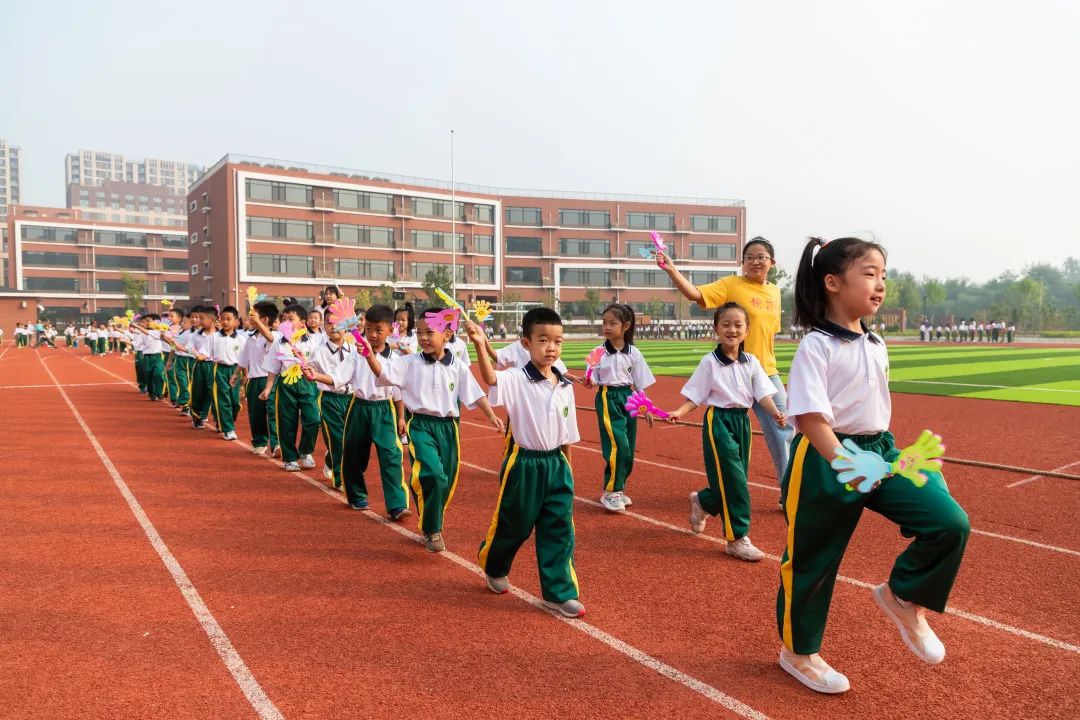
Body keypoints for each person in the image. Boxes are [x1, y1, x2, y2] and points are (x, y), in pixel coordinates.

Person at [776, 236, 969, 694]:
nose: (880, 284)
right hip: (828, 460)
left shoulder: (876, 340)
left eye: (884, 274)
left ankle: (904, 596)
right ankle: (798, 653)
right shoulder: (816, 346)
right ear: (832, 282)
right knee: (811, 561)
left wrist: (886, 457)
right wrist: (845, 461)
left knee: (949, 521)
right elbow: (808, 418)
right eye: (869, 273)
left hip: (880, 451)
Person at [466, 308, 585, 618]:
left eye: (557, 341)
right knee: (515, 525)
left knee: (559, 528)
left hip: (556, 464)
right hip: (525, 464)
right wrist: (480, 344)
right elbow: (491, 379)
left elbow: (567, 434)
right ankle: (494, 564)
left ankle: (558, 593)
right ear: (526, 344)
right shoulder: (517, 378)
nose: (551, 348)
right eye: (543, 340)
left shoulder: (565, 385)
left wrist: (567, 469)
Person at [364, 305, 504, 553]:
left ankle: (424, 496)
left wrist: (492, 415)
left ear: (447, 336)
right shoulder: (409, 362)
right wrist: (369, 356)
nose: (423, 338)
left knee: (445, 482)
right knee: (435, 477)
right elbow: (383, 374)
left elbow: (474, 392)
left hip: (449, 428)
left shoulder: (457, 366)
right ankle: (432, 530)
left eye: (429, 332)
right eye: (419, 333)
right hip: (420, 426)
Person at [658, 237, 794, 486]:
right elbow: (696, 294)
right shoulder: (731, 284)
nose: (755, 261)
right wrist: (672, 270)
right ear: (742, 263)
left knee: (784, 429)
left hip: (766, 371)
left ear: (771, 262)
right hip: (733, 371)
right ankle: (724, 486)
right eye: (749, 257)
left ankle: (788, 491)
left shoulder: (774, 292)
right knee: (730, 433)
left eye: (761, 257)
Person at [666, 302, 787, 562]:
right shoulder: (710, 363)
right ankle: (736, 538)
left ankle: (704, 502)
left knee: (734, 478)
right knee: (735, 481)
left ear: (747, 330)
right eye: (726, 324)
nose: (732, 329)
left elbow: (763, 394)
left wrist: (775, 412)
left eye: (738, 324)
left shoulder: (751, 362)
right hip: (718, 421)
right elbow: (695, 396)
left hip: (741, 422)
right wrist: (679, 412)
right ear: (716, 329)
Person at [313, 304, 410, 517]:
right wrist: (315, 376)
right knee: (353, 454)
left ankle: (397, 505)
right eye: (369, 330)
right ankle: (357, 496)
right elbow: (337, 379)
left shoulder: (396, 360)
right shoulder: (356, 356)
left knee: (391, 455)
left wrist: (401, 417)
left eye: (378, 330)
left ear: (390, 330)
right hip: (358, 408)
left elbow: (398, 392)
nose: (373, 335)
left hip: (384, 411)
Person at [580, 303, 656, 513]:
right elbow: (591, 378)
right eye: (604, 322)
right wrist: (589, 381)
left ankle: (619, 488)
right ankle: (611, 491)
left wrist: (646, 408)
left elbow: (639, 383)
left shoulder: (634, 353)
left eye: (613, 323)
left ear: (626, 326)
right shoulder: (597, 352)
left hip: (629, 398)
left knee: (629, 450)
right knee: (618, 445)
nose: (607, 326)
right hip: (608, 397)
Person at [253, 304, 323, 471]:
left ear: (302, 323)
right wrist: (269, 388)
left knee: (313, 420)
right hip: (286, 384)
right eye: (284, 319)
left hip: (307, 383)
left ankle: (306, 451)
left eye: (291, 319)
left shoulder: (312, 342)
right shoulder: (279, 342)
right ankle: (290, 457)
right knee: (286, 421)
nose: (286, 322)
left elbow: (319, 366)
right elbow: (273, 368)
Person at [305, 318, 354, 488]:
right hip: (330, 399)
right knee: (337, 438)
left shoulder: (354, 350)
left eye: (338, 322)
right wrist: (307, 371)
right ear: (323, 326)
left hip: (353, 400)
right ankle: (341, 480)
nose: (334, 326)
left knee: (352, 441)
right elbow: (309, 371)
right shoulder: (318, 352)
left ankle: (330, 459)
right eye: (329, 323)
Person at [237, 301, 279, 454]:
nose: (250, 320)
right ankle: (259, 441)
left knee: (273, 412)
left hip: (271, 380)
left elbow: (270, 339)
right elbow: (244, 357)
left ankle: (276, 443)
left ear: (265, 320)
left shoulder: (275, 335)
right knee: (256, 413)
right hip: (254, 380)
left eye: (253, 316)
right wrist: (237, 374)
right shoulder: (250, 337)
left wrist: (258, 324)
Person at [209, 306, 246, 441]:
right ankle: (229, 429)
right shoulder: (214, 337)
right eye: (222, 319)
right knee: (223, 399)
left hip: (235, 371)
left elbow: (244, 359)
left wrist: (245, 375)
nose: (225, 322)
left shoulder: (241, 339)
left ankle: (226, 420)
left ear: (236, 321)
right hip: (219, 369)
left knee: (235, 402)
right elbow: (210, 355)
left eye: (228, 319)